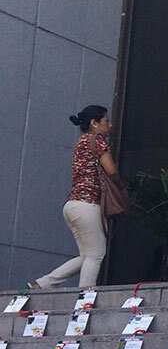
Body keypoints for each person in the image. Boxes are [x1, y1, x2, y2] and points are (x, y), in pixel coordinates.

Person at [31, 106, 117, 289]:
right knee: (96, 254)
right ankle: (85, 295)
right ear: (94, 123)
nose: (110, 125)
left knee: (86, 256)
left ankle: (42, 284)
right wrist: (121, 185)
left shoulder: (81, 141)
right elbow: (111, 170)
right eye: (106, 121)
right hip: (87, 204)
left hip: (72, 205)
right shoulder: (97, 140)